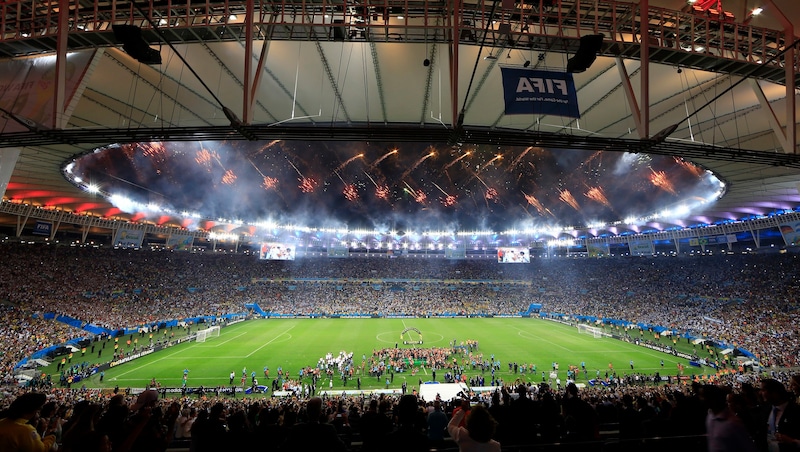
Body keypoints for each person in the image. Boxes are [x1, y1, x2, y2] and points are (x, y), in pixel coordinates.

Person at [702, 384, 757, 452]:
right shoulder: (710, 417)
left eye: (704, 397)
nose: (701, 399)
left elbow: (748, 447)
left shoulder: (733, 423)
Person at [280, 397, 347, 451]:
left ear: (307, 412)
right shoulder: (329, 429)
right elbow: (342, 447)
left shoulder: (297, 429)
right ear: (320, 412)